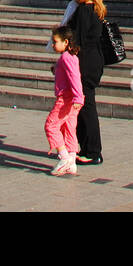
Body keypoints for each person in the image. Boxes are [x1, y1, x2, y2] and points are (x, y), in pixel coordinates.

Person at [66, 0, 106, 165]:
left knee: (85, 106)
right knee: (85, 104)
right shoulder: (96, 8)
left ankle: (92, 151)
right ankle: (88, 148)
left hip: (84, 63)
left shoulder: (83, 10)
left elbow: (77, 41)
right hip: (94, 61)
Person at [45, 25, 84, 177]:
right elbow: (69, 74)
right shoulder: (68, 57)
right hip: (72, 99)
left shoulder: (66, 58)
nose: (53, 45)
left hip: (67, 99)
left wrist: (78, 97)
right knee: (69, 128)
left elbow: (75, 78)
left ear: (66, 42)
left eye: (55, 42)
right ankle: (72, 161)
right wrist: (56, 69)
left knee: (51, 125)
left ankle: (64, 158)